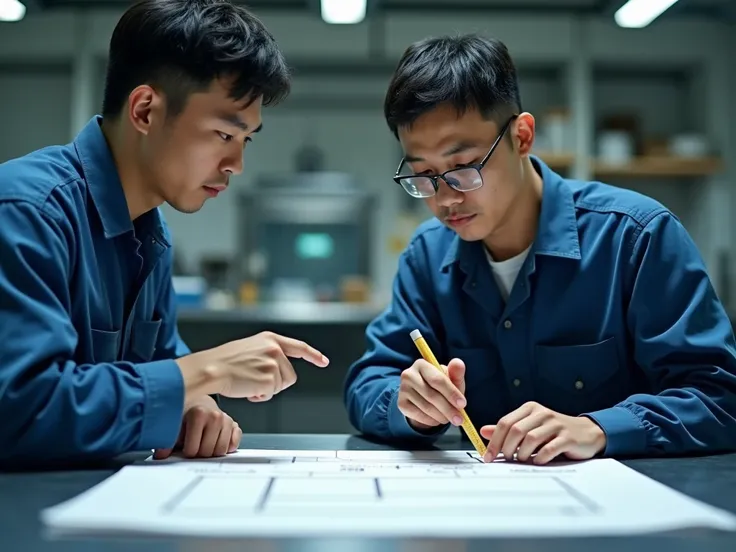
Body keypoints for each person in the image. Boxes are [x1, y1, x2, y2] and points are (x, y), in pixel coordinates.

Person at [343, 34, 736, 465]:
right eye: (423, 175)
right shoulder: (428, 257)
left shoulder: (635, 238)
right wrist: (411, 406)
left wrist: (598, 428)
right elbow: (367, 384)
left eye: (462, 168)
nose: (445, 198)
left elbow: (719, 398)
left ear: (522, 136)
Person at [0, 0, 329, 469]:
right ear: (146, 110)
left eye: (246, 139)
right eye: (222, 134)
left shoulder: (150, 233)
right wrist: (206, 372)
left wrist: (197, 407)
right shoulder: (27, 211)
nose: (236, 164)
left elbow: (163, 364)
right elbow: (22, 411)